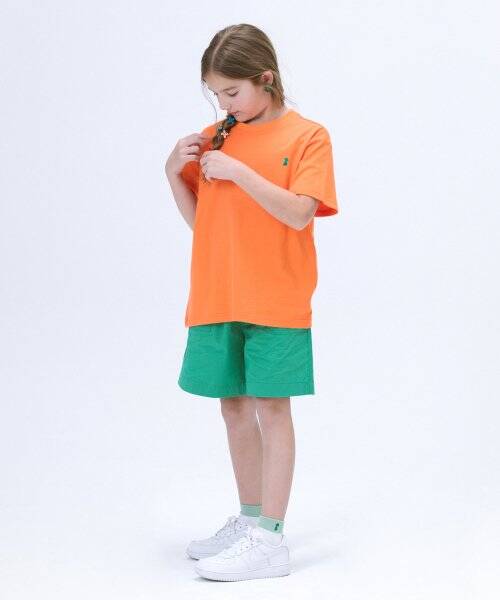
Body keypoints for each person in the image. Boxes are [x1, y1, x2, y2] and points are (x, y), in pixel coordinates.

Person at [164, 23, 339, 581]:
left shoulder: (307, 136)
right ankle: (249, 518)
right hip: (218, 294)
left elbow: (299, 213)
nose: (224, 104)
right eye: (216, 93)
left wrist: (238, 172)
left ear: (266, 78)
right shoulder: (215, 137)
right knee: (234, 407)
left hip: (276, 296)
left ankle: (271, 539)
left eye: (232, 91)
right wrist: (173, 174)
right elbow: (206, 225)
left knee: (272, 407)